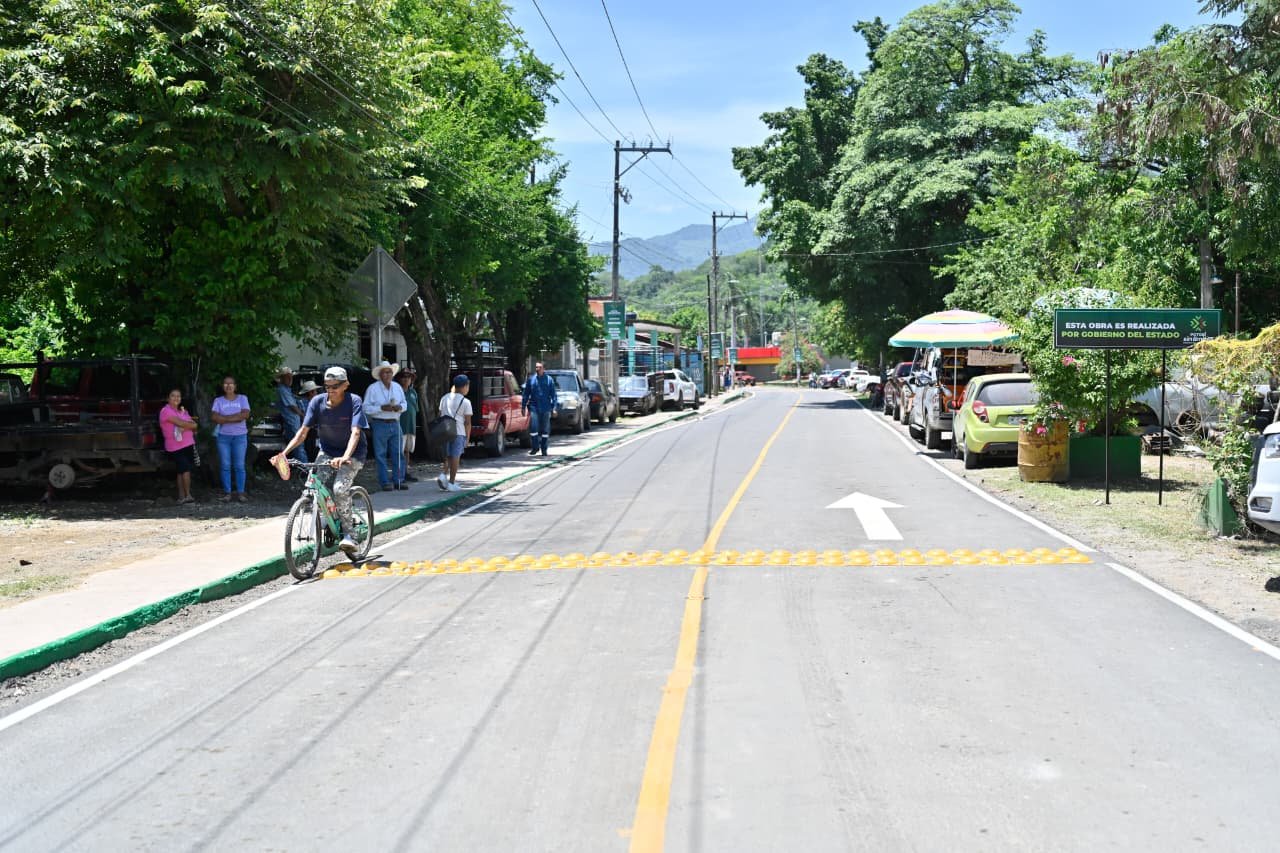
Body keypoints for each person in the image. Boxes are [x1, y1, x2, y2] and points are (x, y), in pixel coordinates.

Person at [273, 366, 368, 556]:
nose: (331, 390)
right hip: (327, 452)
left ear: (345, 385)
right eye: (327, 386)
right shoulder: (316, 402)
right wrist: (284, 453)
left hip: (353, 453)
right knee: (313, 485)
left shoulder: (354, 401)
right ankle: (328, 518)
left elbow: (355, 432)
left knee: (340, 488)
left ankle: (350, 535)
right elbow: (302, 433)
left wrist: (345, 457)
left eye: (335, 386)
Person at [364, 360, 407, 492]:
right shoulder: (373, 388)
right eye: (385, 372)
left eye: (389, 372)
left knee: (398, 453)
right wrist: (381, 408)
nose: (388, 374)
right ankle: (385, 482)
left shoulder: (397, 387)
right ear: (380, 374)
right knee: (380, 454)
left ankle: (398, 480)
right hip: (379, 423)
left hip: (395, 423)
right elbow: (365, 408)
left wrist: (399, 407)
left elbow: (405, 404)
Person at [210, 375, 251, 502]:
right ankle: (227, 493)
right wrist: (236, 417)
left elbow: (245, 415)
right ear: (223, 386)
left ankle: (241, 493)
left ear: (235, 386)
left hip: (240, 437)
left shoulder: (243, 398)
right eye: (226, 383)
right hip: (223, 437)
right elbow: (215, 417)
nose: (228, 386)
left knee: (239, 465)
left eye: (231, 383)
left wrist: (225, 419)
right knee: (225, 465)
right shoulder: (218, 401)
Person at [159, 388, 199, 504]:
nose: (176, 398)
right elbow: (184, 423)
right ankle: (188, 495)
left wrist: (187, 426)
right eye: (173, 396)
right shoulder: (166, 411)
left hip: (188, 443)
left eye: (178, 396)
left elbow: (195, 425)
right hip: (175, 446)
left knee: (181, 471)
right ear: (168, 398)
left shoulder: (183, 411)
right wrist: (189, 425)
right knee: (185, 469)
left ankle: (181, 497)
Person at [436, 374, 472, 492]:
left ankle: (443, 474)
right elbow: (467, 422)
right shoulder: (465, 402)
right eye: (467, 386)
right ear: (465, 386)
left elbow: (440, 415)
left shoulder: (444, 398)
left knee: (447, 456)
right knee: (455, 456)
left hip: (446, 430)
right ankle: (451, 482)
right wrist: (467, 438)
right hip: (459, 432)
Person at [521, 362, 559, 457]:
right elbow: (526, 394)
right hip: (534, 407)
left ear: (543, 369)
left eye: (539, 367)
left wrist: (554, 408)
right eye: (536, 367)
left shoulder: (549, 380)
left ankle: (544, 449)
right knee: (534, 428)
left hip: (546, 408)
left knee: (545, 430)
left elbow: (553, 395)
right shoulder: (531, 380)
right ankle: (535, 447)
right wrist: (523, 406)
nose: (537, 369)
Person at [272, 367, 307, 463]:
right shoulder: (282, 389)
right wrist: (302, 415)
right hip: (291, 421)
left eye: (291, 377)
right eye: (288, 377)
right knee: (298, 444)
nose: (290, 379)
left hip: (293, 422)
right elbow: (292, 406)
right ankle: (305, 469)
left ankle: (299, 468)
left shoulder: (287, 389)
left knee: (296, 445)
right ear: (282, 378)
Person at [396, 368, 420, 483]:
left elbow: (416, 409)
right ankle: (398, 474)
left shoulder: (413, 392)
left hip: (411, 426)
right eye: (404, 377)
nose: (406, 379)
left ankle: (406, 472)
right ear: (400, 379)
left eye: (409, 377)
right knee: (398, 451)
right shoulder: (396, 392)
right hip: (400, 426)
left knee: (407, 450)